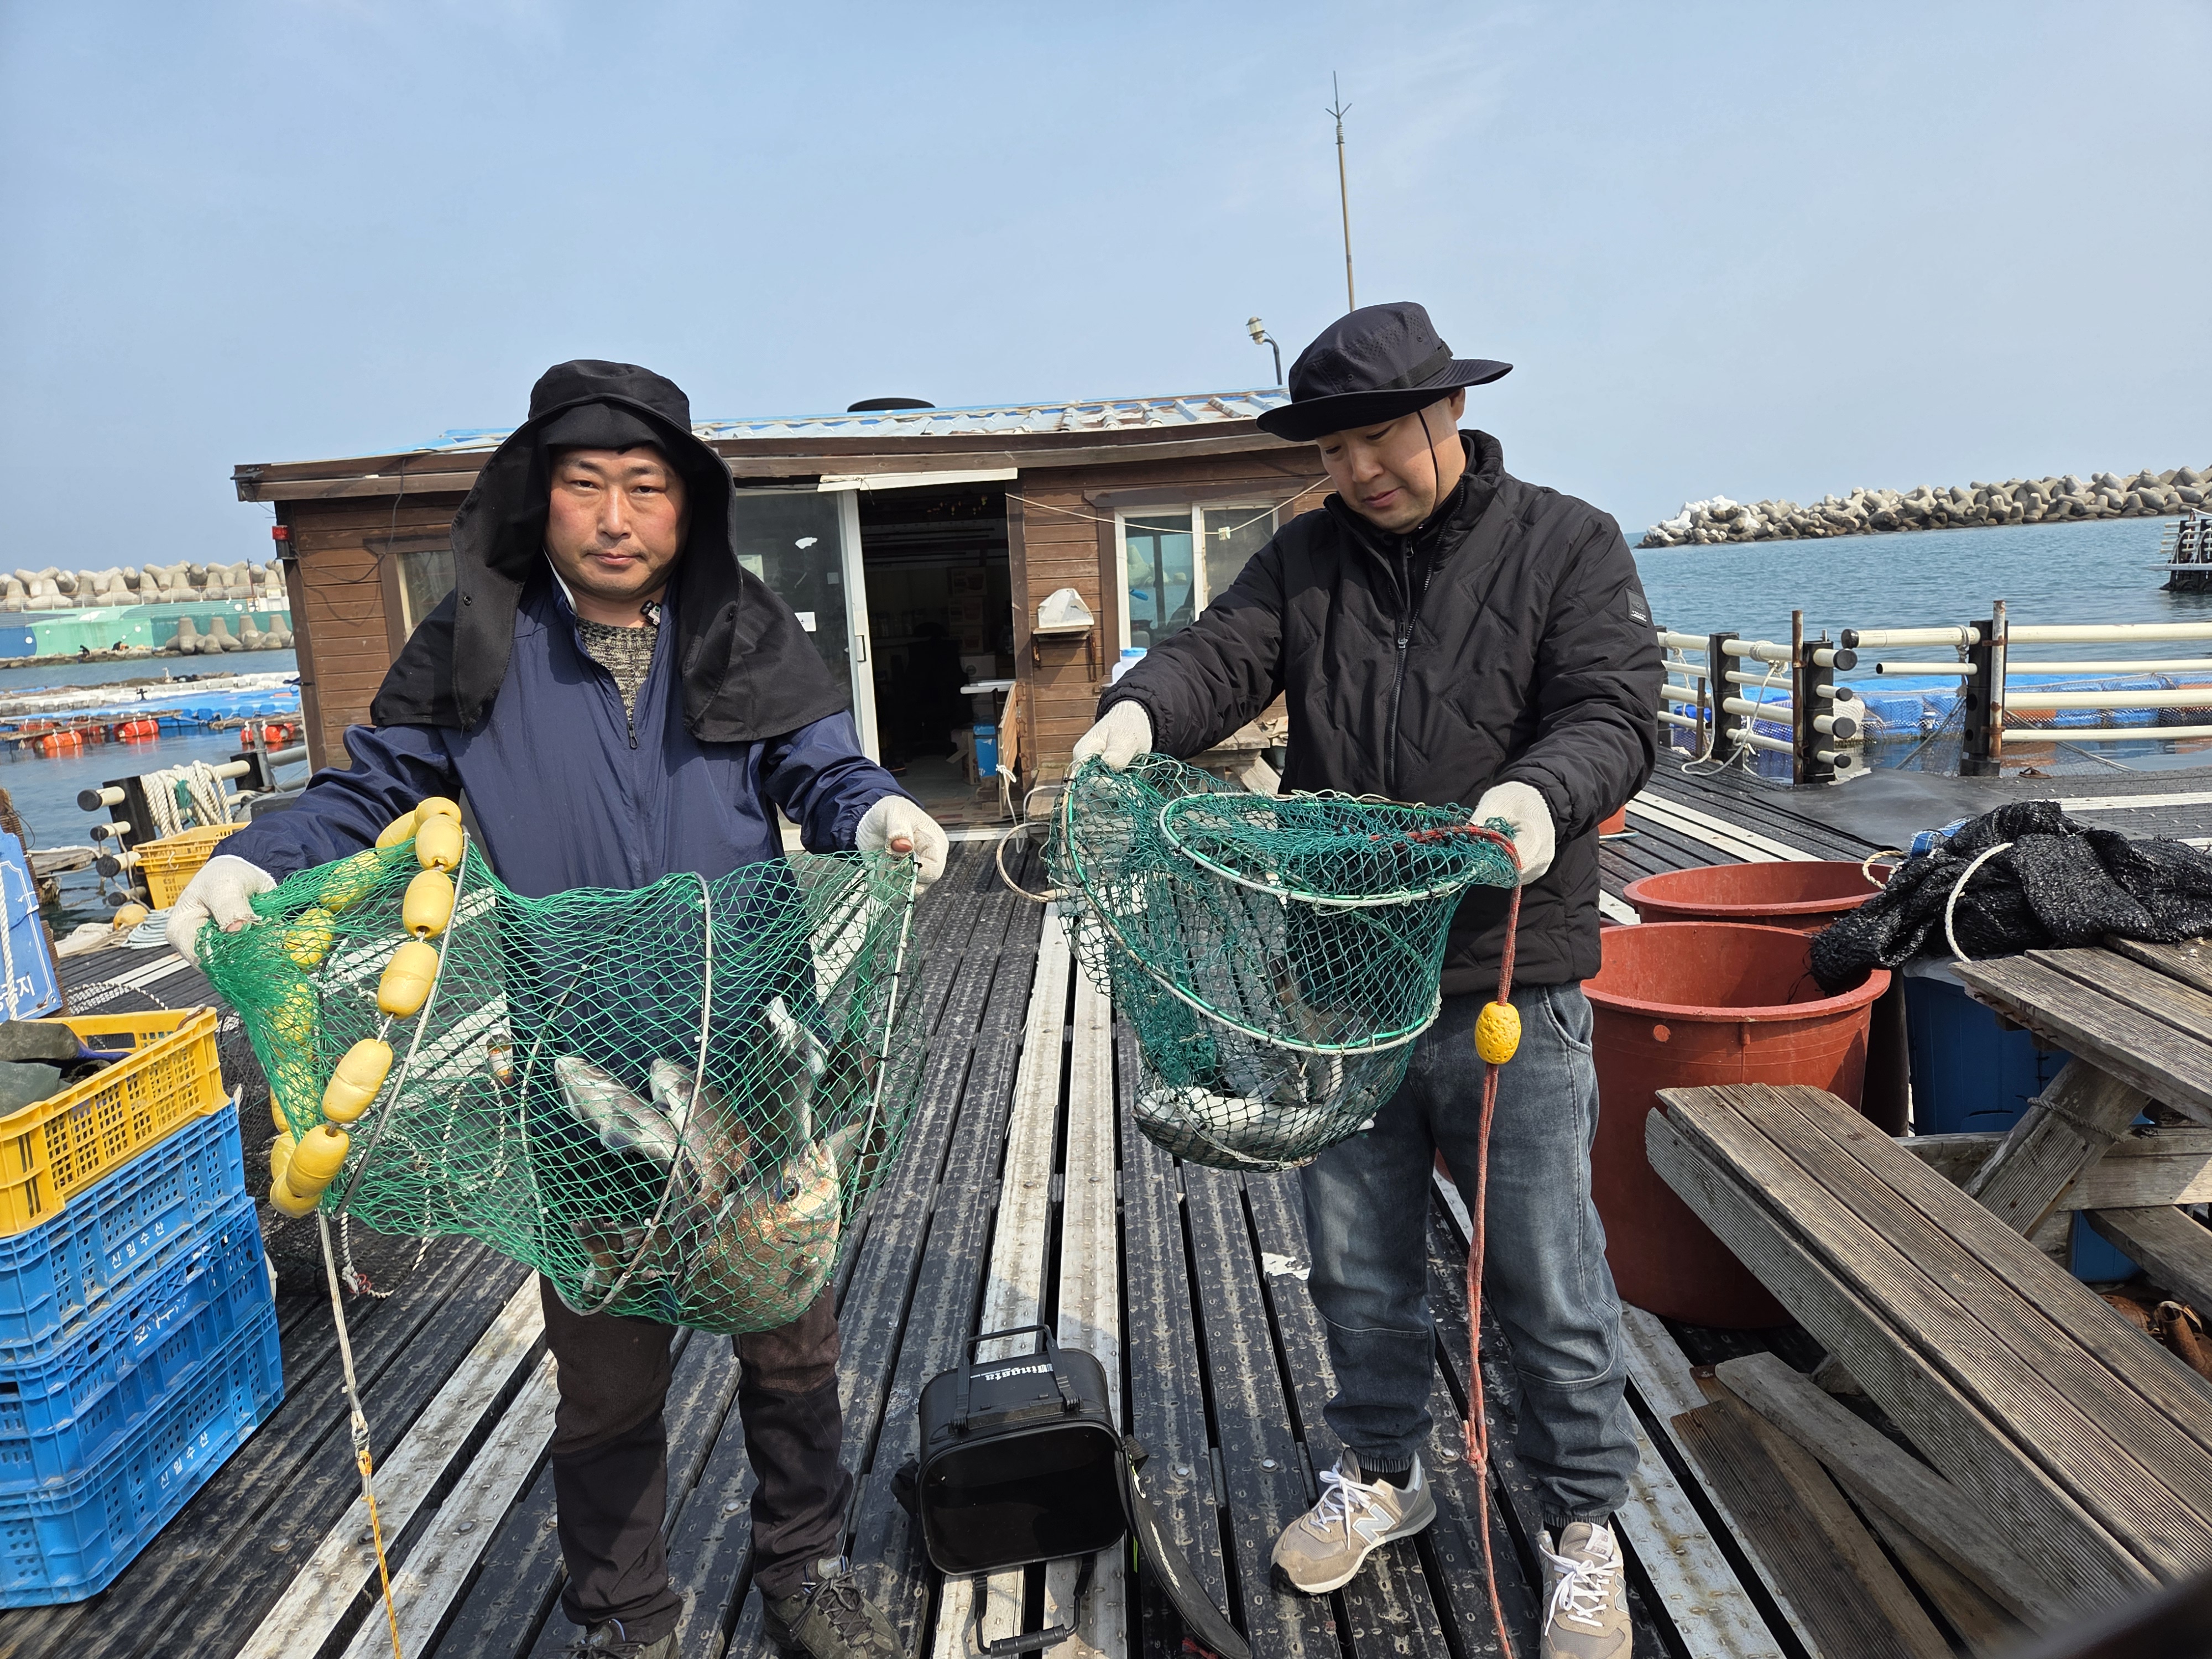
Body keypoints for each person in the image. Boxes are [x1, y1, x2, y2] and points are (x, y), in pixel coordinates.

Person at [168, 359, 943, 1659]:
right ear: (541, 497)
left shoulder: (742, 628)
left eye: (645, 486)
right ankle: (627, 1612)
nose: (615, 517)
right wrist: (256, 857)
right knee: (606, 1380)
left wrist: (877, 812)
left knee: (790, 1344)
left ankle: (804, 1567)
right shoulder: (477, 638)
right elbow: (372, 790)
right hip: (578, 1079)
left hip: (756, 1062)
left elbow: (821, 767)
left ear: (688, 506)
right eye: (585, 485)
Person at [1073, 304, 1661, 1659]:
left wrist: (1540, 792)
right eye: (1332, 450)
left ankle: (1580, 1523)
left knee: (1545, 1269)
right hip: (1343, 987)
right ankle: (1382, 1474)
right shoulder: (1302, 560)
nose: (1357, 470)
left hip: (1508, 973)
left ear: (1448, 413)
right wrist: (1136, 713)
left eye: (1381, 437)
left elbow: (1612, 712)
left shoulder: (1567, 542)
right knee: (1353, 1261)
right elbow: (1218, 656)